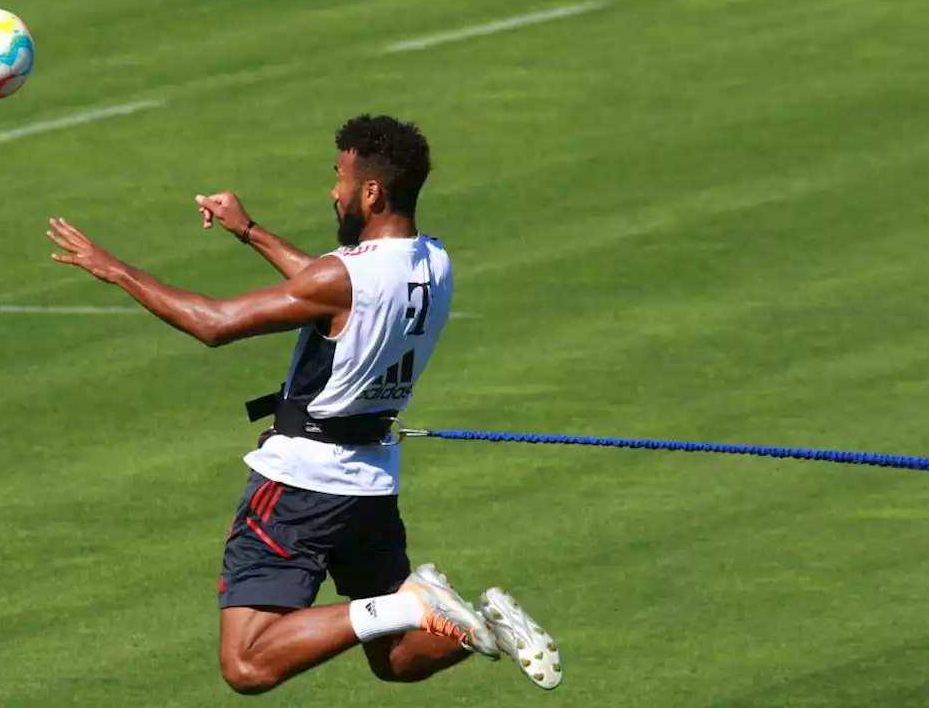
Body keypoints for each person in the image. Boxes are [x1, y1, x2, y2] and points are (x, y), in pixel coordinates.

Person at [45, 114, 561, 695]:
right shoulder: (434, 263)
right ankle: (479, 627)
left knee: (246, 663)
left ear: (372, 191)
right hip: (370, 484)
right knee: (393, 661)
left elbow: (215, 324)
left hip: (302, 485)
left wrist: (115, 269)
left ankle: (413, 604)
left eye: (340, 178)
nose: (334, 191)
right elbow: (333, 286)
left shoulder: (346, 277)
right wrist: (250, 231)